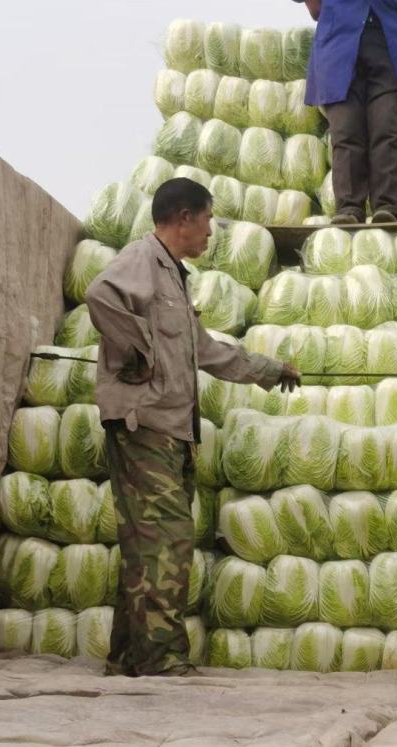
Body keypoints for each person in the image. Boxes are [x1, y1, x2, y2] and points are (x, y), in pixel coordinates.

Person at [86, 178, 301, 677]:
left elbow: (205, 350)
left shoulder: (174, 277)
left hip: (171, 429)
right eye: (207, 219)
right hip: (145, 426)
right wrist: (138, 349)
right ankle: (161, 659)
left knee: (149, 542)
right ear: (183, 217)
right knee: (168, 539)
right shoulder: (143, 260)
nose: (210, 231)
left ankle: (128, 656)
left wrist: (270, 370)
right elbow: (100, 296)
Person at [294, 0, 397, 225]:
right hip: (339, 43)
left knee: (386, 128)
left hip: (387, 39)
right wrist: (319, 8)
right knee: (346, 131)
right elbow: (315, 10)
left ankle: (386, 206)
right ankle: (349, 207)